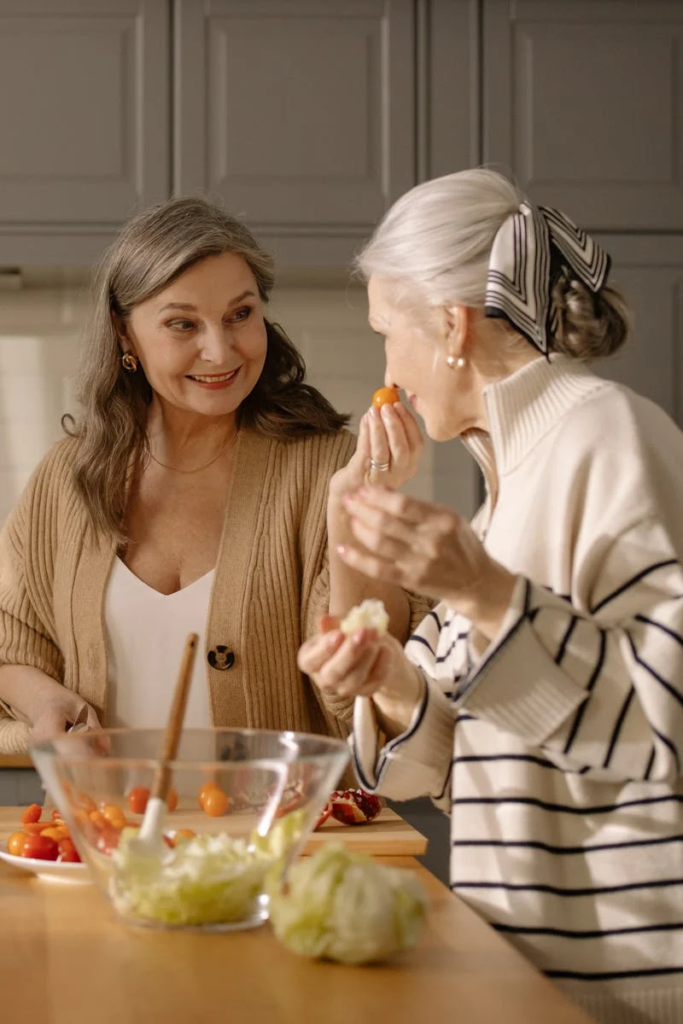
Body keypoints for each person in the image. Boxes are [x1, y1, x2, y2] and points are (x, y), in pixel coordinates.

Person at [300, 169, 683, 1023]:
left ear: (448, 327)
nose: (384, 366)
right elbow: (439, 770)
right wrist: (390, 678)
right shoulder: (503, 487)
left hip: (627, 985)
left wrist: (481, 589)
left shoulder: (607, 437)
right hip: (521, 964)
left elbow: (664, 721)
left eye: (384, 332)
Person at [0, 196, 428, 752]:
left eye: (240, 315)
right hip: (109, 832)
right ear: (124, 334)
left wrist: (363, 520)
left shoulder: (331, 469)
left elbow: (371, 700)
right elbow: (11, 651)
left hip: (283, 836)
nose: (220, 349)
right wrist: (49, 703)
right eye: (183, 324)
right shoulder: (68, 477)